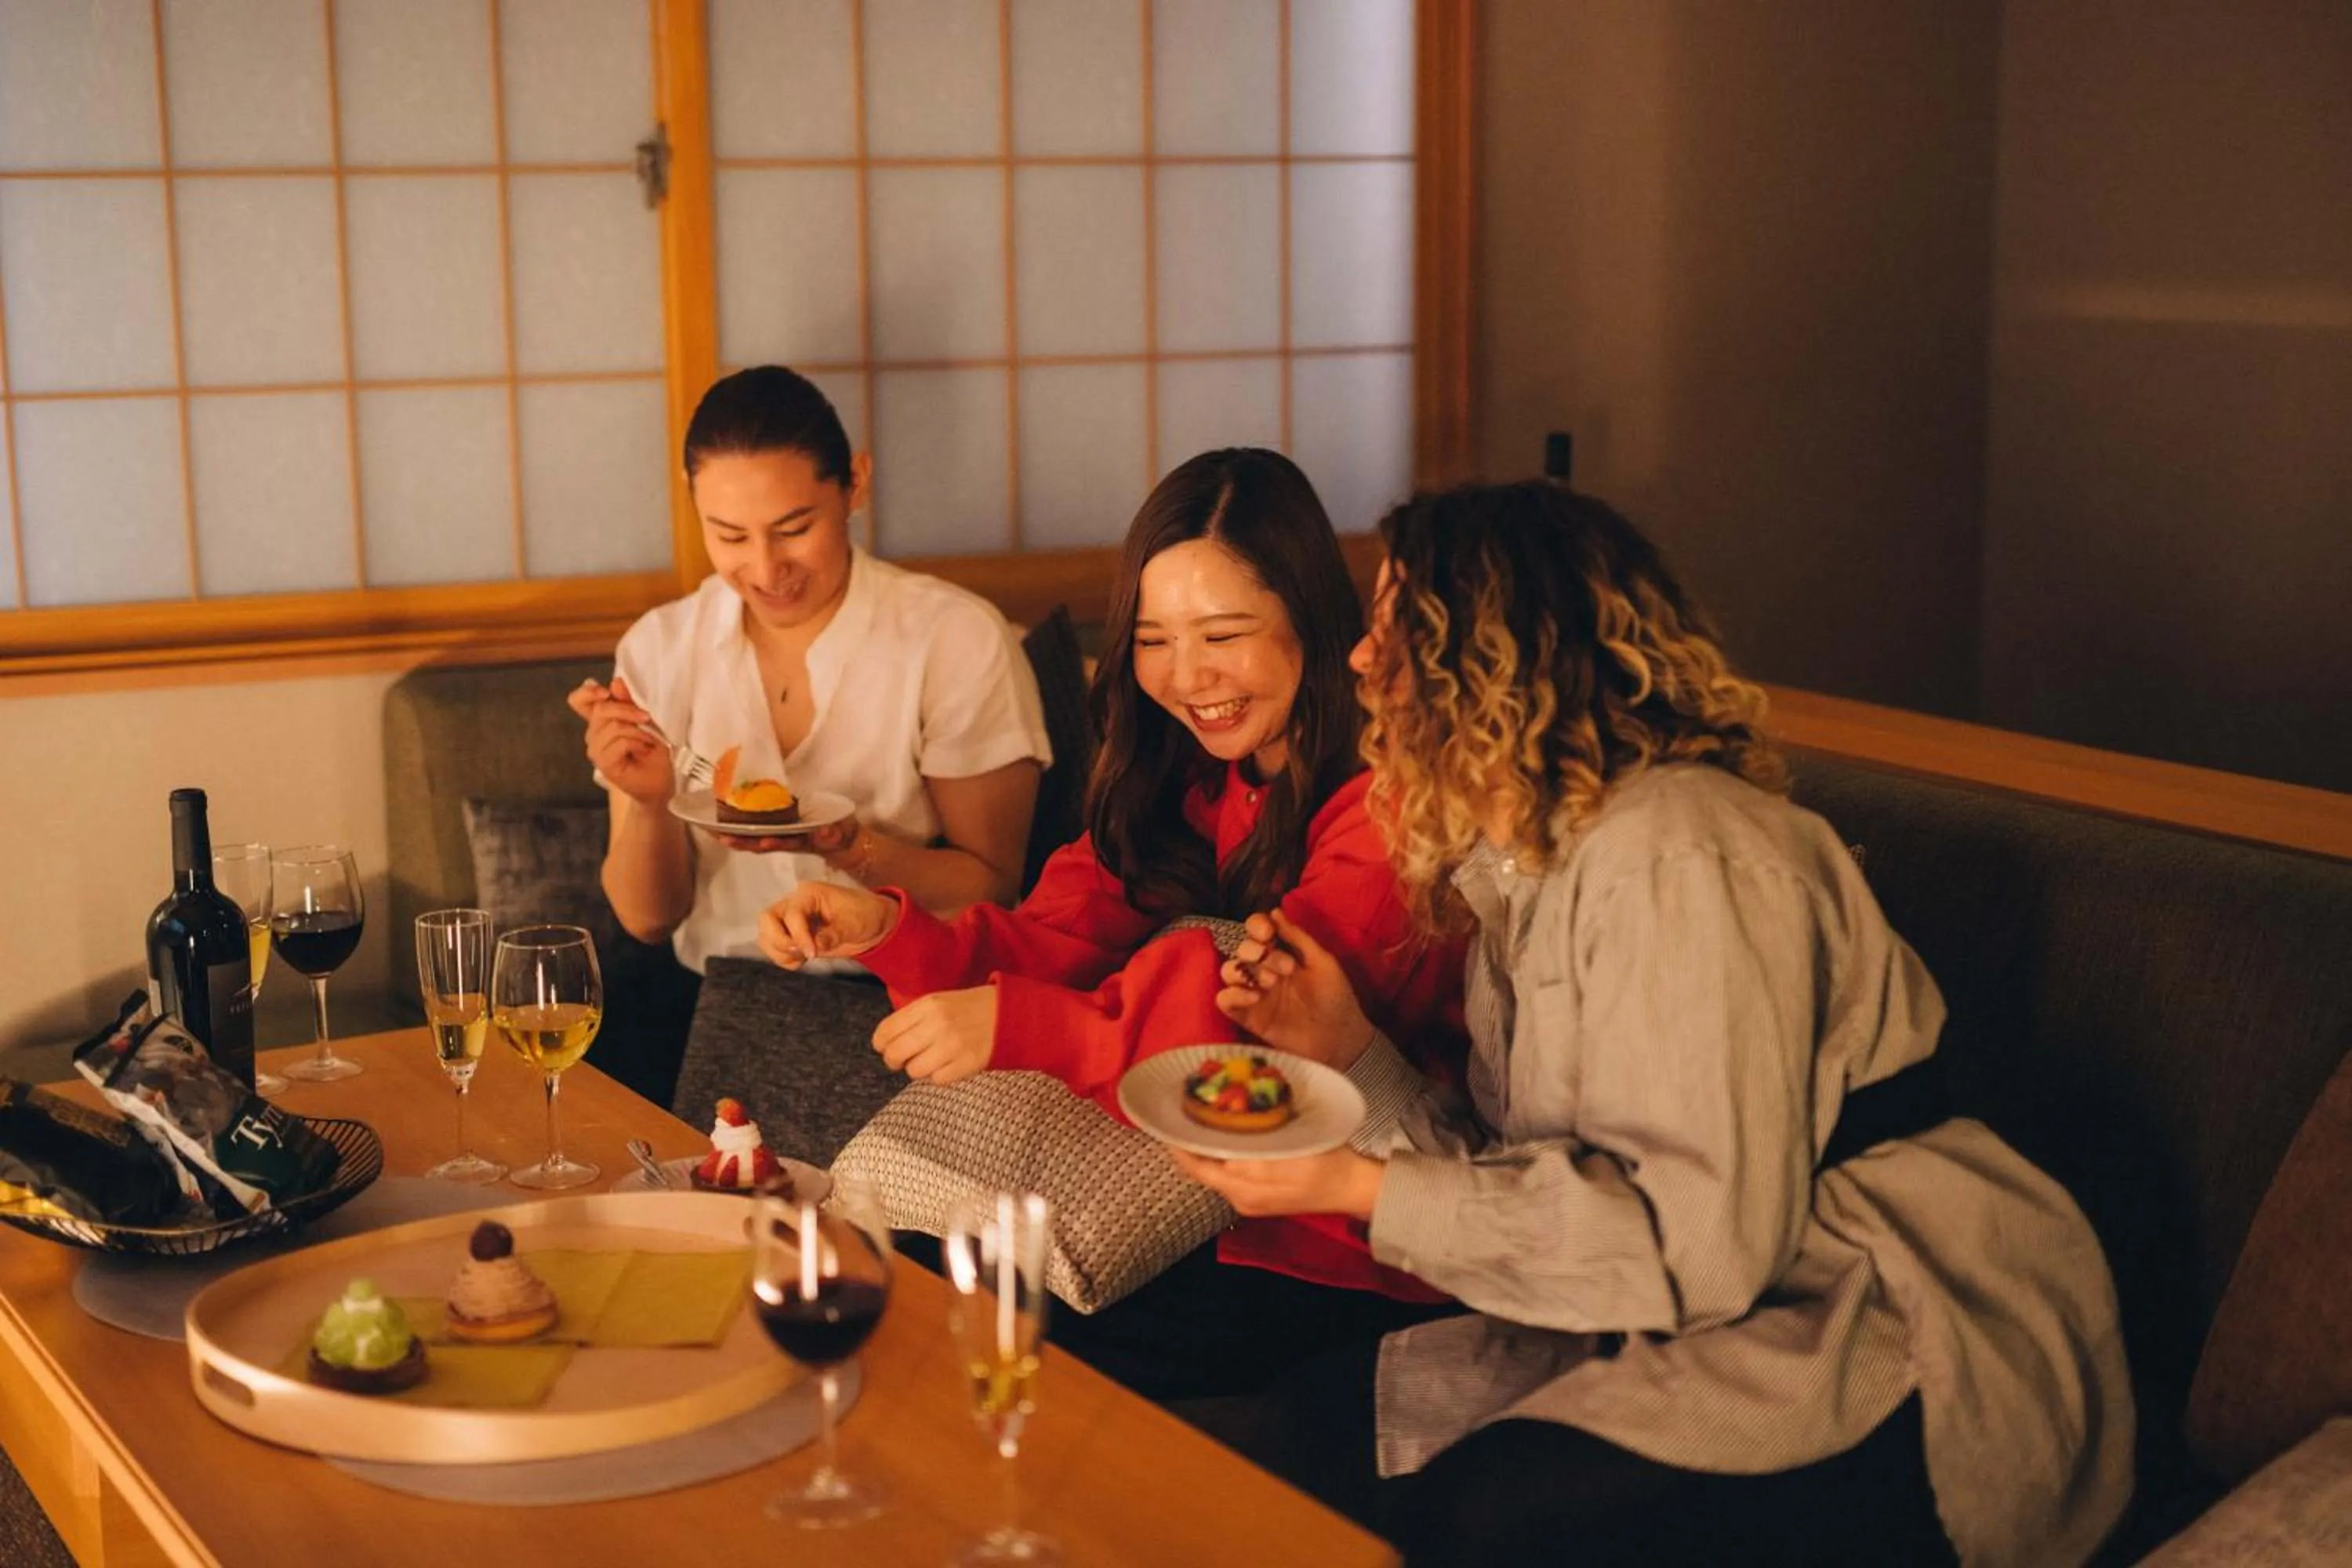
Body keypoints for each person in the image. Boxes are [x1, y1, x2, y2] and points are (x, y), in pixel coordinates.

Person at [1178, 481, 2135, 1566]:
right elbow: (1532, 1177)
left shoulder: (1681, 852)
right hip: (1693, 1295)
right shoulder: (1520, 867)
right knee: (1317, 1422)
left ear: (1490, 653)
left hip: (1884, 1314)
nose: (1358, 660)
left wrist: (1352, 1185)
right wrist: (1354, 1055)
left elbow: (1702, 1242)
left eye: (1394, 629)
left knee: (1482, 1515)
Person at [758, 448, 1468, 1399]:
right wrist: (886, 930)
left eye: (1223, 634)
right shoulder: (1186, 779)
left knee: (956, 1333)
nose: (1186, 678)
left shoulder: (1386, 805)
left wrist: (1021, 1024)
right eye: (1154, 639)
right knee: (889, 1273)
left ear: (1313, 623)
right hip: (1179, 1200)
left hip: (1331, 1243)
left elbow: (1254, 1046)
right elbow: (1051, 935)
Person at [567, 366, 1051, 1105]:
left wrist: (848, 849)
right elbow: (647, 917)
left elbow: (993, 886)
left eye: (795, 529)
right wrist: (650, 799)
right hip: (712, 1002)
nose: (766, 570)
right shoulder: (661, 648)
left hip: (906, 1002)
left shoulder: (954, 638)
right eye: (729, 536)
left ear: (854, 484)